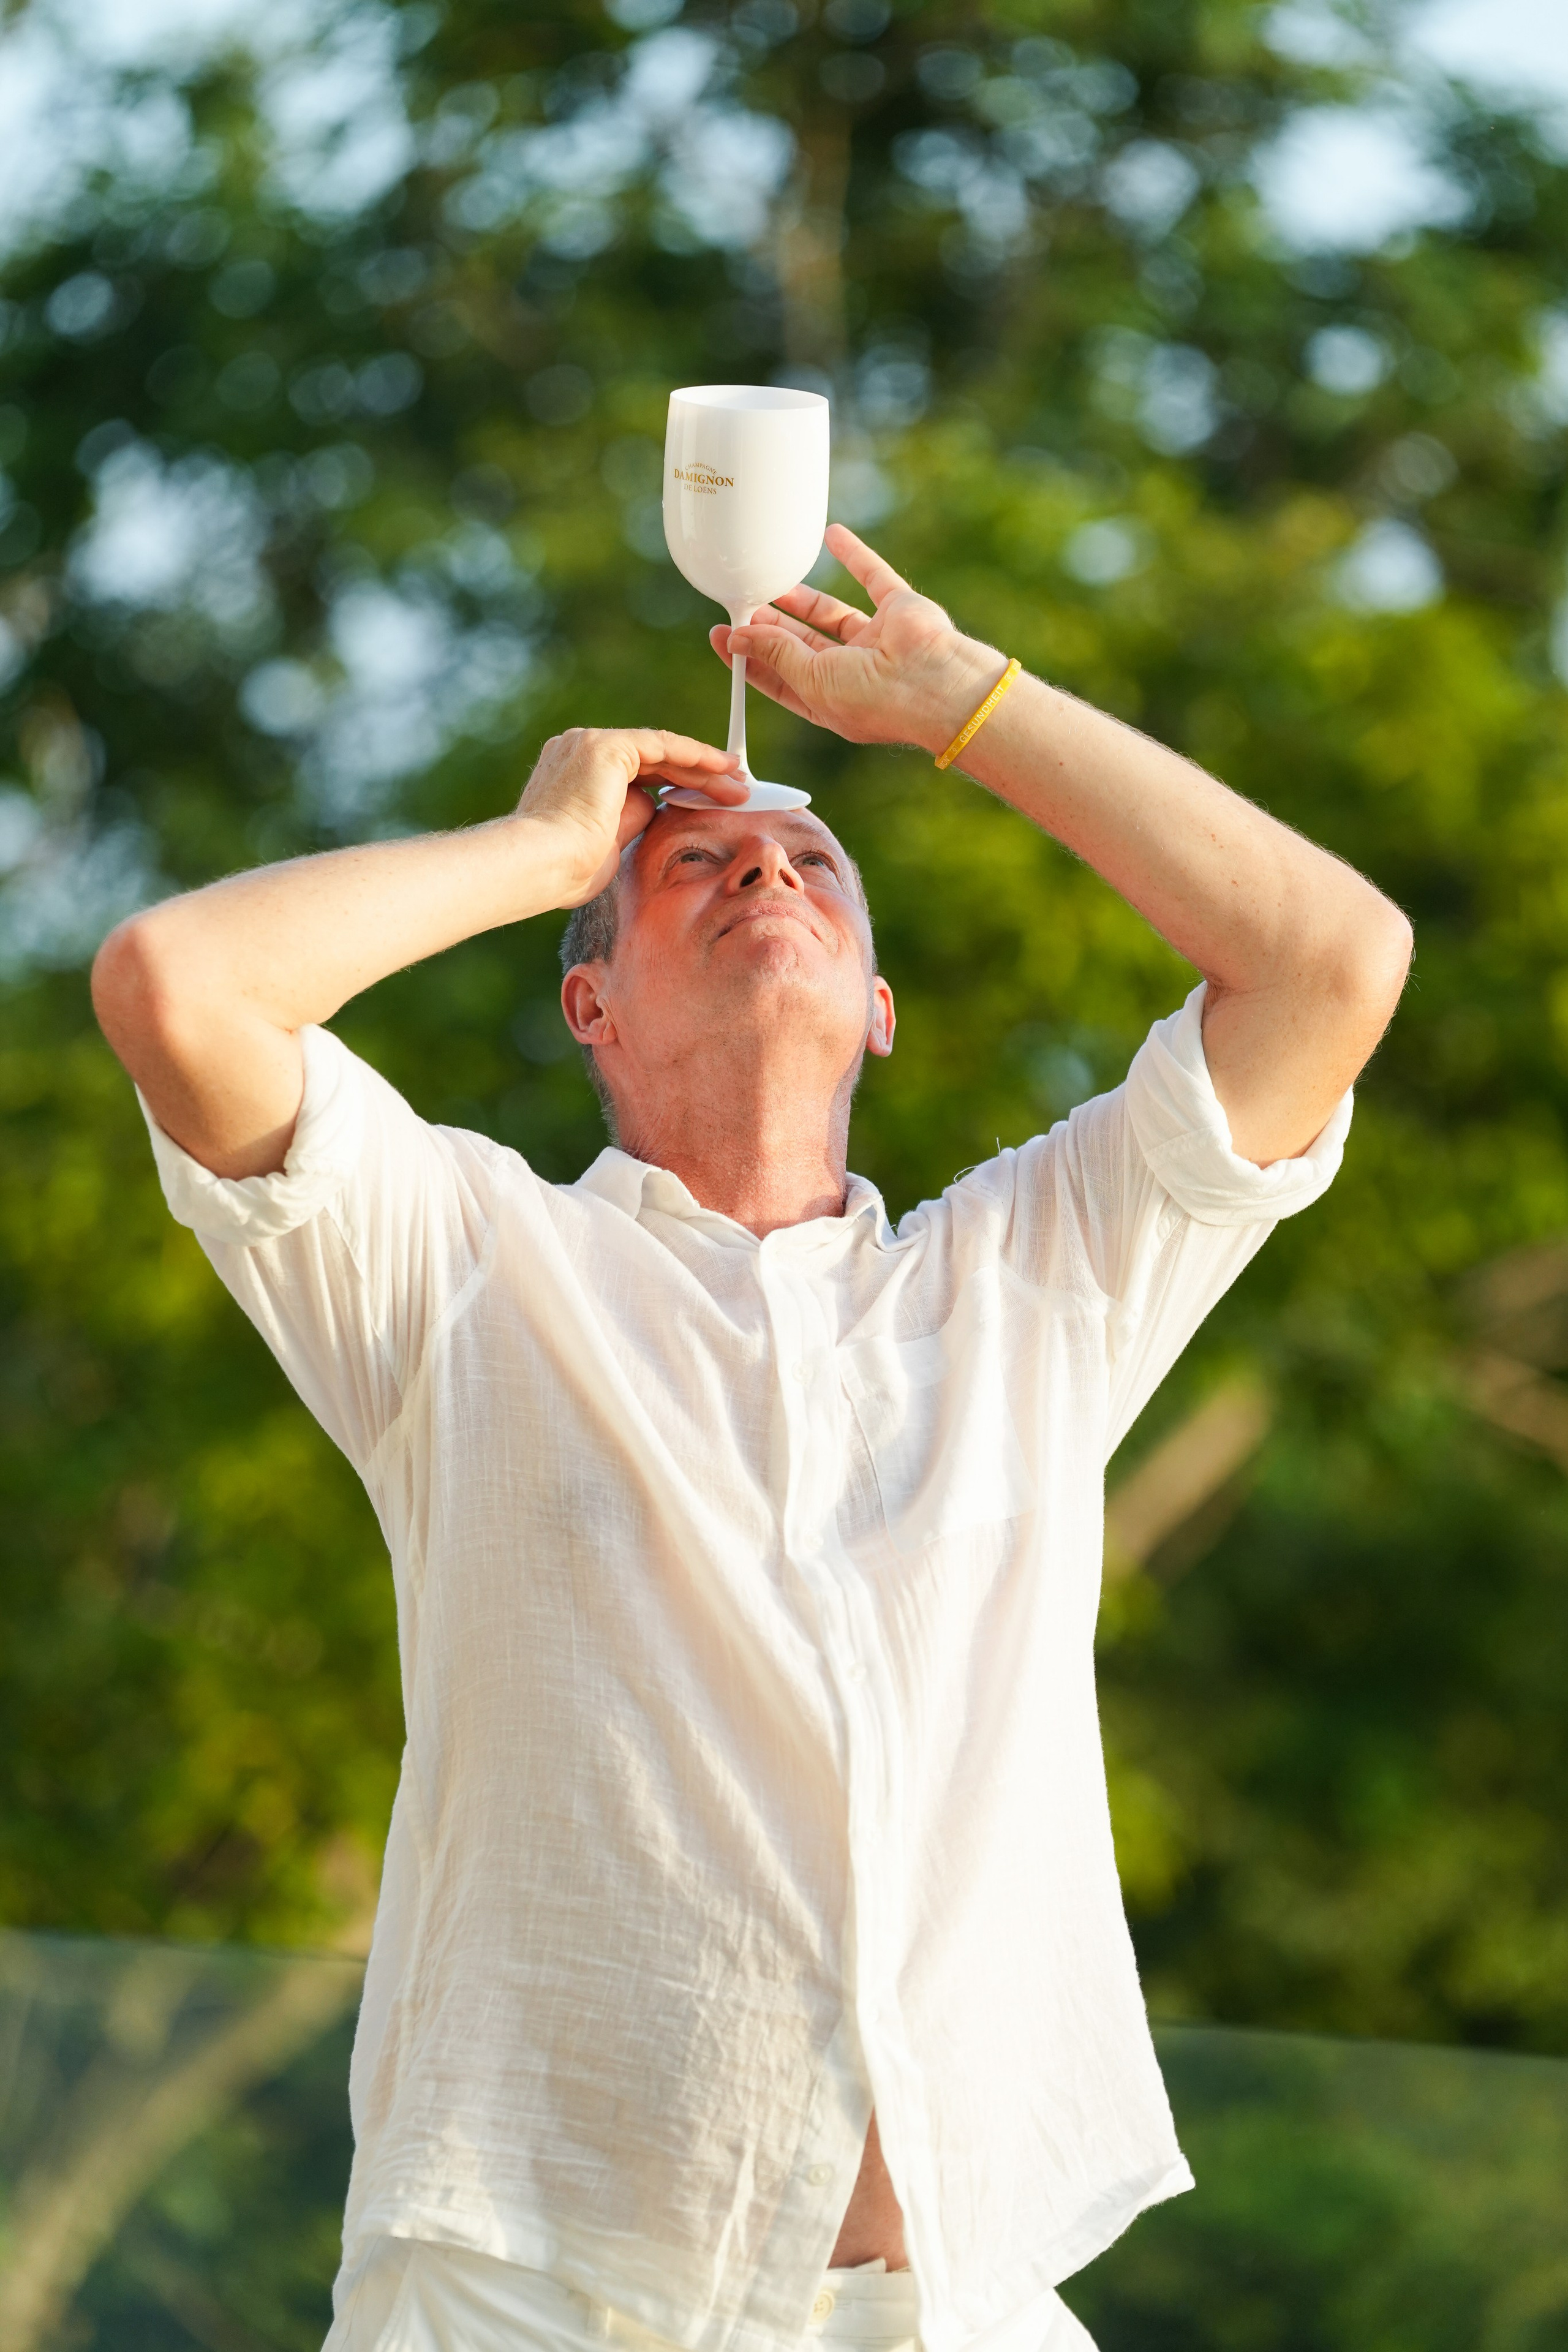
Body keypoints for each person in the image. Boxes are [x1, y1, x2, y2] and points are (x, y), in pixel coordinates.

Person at [92, 524, 1411, 2352]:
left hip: (955, 2304)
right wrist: (543, 844)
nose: (767, 868)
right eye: (695, 862)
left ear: (878, 1010)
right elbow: (177, 984)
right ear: (591, 1003)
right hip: (534, 2295)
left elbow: (1335, 964)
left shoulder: (1036, 1275)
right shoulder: (467, 1266)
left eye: (812, 861)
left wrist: (970, 708)